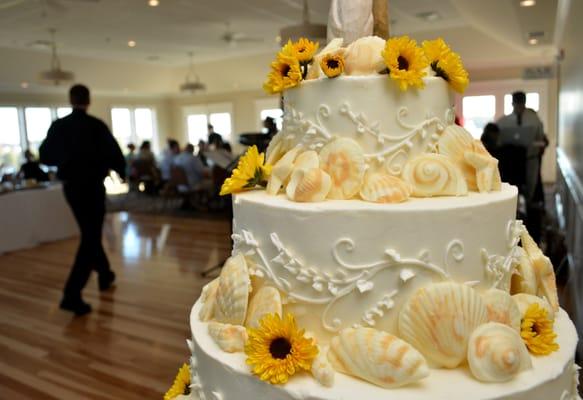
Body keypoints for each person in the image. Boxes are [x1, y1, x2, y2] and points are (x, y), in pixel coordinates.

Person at [39, 84, 126, 316]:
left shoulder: (59, 126)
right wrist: (121, 172)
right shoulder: (96, 126)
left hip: (72, 190)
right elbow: (115, 154)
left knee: (90, 233)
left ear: (70, 100)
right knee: (90, 237)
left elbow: (45, 155)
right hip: (93, 188)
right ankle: (71, 294)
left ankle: (105, 274)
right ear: (88, 100)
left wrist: (67, 158)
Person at [496, 91, 548, 242]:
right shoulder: (503, 122)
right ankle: (513, 216)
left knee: (530, 191)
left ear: (524, 103)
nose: (518, 107)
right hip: (511, 163)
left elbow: (541, 140)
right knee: (513, 190)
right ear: (512, 104)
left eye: (521, 104)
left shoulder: (534, 120)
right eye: (516, 104)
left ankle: (530, 228)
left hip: (530, 160)